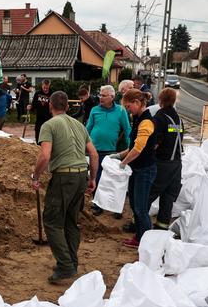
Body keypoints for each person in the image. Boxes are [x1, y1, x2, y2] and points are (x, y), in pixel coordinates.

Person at [32, 91, 99, 283]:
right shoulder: (79, 125)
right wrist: (92, 179)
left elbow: (45, 156)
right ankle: (71, 261)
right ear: (68, 107)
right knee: (71, 221)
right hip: (80, 176)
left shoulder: (49, 125)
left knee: (52, 221)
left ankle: (65, 265)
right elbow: (93, 155)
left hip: (64, 177)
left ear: (50, 105)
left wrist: (36, 176)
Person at [110, 89, 157, 248]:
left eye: (129, 106)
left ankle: (145, 240)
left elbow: (138, 149)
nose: (128, 110)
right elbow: (132, 147)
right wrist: (119, 155)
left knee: (141, 207)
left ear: (137, 103)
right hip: (137, 169)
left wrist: (123, 163)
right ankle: (139, 236)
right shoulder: (138, 119)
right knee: (135, 205)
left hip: (145, 169)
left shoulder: (146, 122)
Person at [85, 85, 131, 216]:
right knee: (96, 177)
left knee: (112, 180)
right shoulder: (94, 110)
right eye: (100, 95)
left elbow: (127, 130)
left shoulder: (121, 111)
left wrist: (130, 147)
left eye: (104, 95)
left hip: (111, 151)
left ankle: (115, 208)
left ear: (112, 97)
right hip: (94, 150)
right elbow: (87, 128)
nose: (101, 97)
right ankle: (97, 204)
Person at [147, 88, 183, 230]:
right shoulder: (178, 119)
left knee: (148, 194)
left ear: (160, 100)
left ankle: (136, 223)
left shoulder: (159, 118)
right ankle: (162, 226)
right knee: (168, 197)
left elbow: (155, 143)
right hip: (176, 163)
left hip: (162, 163)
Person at [31, 79, 53, 144]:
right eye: (44, 87)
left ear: (49, 86)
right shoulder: (37, 94)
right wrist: (30, 107)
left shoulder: (52, 94)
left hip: (48, 118)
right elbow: (34, 104)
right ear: (42, 85)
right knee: (38, 132)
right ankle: (38, 146)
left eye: (47, 88)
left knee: (48, 133)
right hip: (39, 117)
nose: (45, 89)